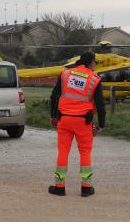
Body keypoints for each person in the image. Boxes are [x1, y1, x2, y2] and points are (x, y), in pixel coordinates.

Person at [49, 51, 106, 197]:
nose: (95, 65)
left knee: (63, 152)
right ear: (91, 62)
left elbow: (55, 95)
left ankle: (59, 187)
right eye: (95, 63)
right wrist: (101, 124)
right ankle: (86, 188)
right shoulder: (94, 79)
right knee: (85, 153)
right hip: (83, 122)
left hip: (64, 119)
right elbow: (100, 104)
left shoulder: (66, 74)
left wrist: (53, 116)